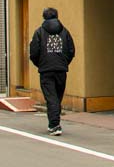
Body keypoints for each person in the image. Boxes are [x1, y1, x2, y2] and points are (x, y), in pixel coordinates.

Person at [29, 7, 75, 136]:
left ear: (44, 17)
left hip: (46, 70)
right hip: (61, 70)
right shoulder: (65, 32)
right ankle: (54, 123)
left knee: (51, 98)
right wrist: (64, 62)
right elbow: (71, 50)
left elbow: (34, 52)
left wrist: (40, 64)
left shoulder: (39, 32)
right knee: (57, 98)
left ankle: (55, 125)